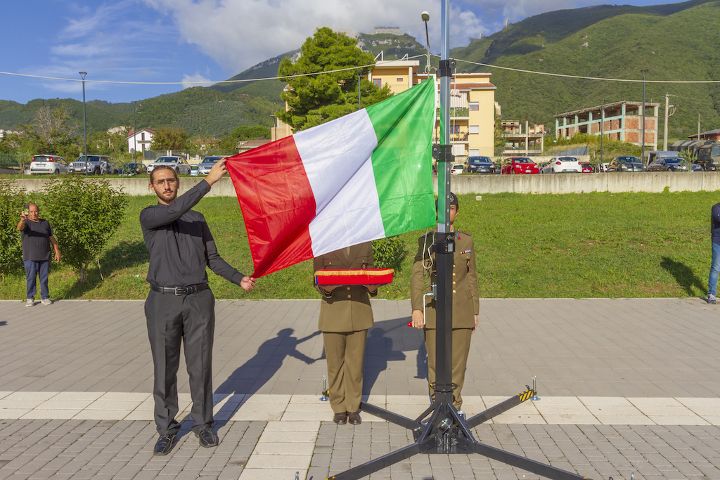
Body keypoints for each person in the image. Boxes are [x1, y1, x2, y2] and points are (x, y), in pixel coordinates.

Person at [140, 159, 255, 455]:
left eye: (171, 181)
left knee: (200, 365)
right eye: (161, 182)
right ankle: (166, 428)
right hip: (162, 301)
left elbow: (212, 258)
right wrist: (208, 181)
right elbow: (174, 210)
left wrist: (238, 278)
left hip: (199, 300)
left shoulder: (197, 218)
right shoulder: (150, 216)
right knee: (165, 368)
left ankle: (203, 424)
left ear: (177, 183)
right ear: (152, 187)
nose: (167, 185)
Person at [410, 192, 479, 412]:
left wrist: (475, 310)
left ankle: (455, 405)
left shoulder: (466, 240)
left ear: (456, 212)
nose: (447, 212)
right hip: (434, 309)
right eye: (443, 208)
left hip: (461, 309)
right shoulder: (427, 241)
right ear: (437, 212)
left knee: (458, 363)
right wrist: (416, 309)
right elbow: (418, 276)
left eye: (451, 208)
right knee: (435, 362)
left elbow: (471, 277)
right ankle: (437, 404)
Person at [314, 243, 377, 425]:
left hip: (359, 310)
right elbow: (316, 279)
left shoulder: (364, 246)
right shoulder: (324, 245)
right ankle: (339, 408)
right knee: (335, 365)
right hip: (333, 311)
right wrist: (329, 286)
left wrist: (373, 285)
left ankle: (353, 407)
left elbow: (370, 272)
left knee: (355, 365)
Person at [17, 203, 61, 307]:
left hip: (45, 256)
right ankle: (30, 298)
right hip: (30, 257)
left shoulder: (45, 223)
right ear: (28, 212)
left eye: (35, 211)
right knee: (31, 278)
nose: (34, 213)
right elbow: (19, 228)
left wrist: (57, 250)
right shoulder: (26, 222)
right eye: (31, 211)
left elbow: (51, 237)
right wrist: (22, 220)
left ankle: (45, 297)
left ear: (38, 211)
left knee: (44, 278)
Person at [708, 202, 720, 304]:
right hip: (718, 242)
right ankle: (711, 294)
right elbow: (718, 218)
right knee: (716, 267)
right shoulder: (716, 208)